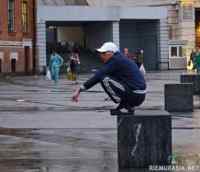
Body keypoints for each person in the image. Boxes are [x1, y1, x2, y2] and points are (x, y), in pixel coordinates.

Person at [72, 42, 146, 114]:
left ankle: (125, 105)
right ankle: (126, 105)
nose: (101, 56)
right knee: (111, 77)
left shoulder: (115, 60)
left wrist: (80, 89)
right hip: (139, 95)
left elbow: (98, 75)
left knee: (104, 78)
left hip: (134, 95)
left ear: (110, 53)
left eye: (103, 53)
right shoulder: (121, 59)